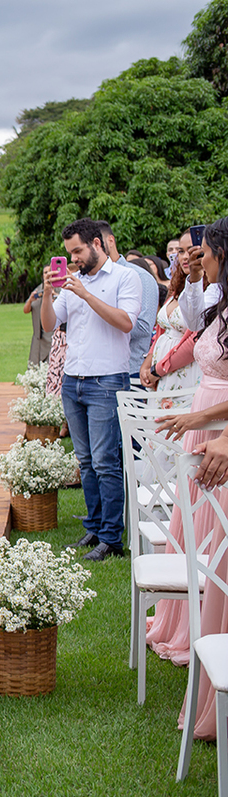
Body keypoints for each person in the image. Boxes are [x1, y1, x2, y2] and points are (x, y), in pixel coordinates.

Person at [152, 216, 228, 741]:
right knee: (204, 539)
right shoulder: (217, 301)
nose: (202, 257)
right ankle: (194, 633)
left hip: (219, 427)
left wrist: (211, 426)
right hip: (208, 419)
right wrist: (199, 422)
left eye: (207, 251)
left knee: (215, 544)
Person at [41, 218, 142, 561]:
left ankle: (112, 538)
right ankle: (95, 527)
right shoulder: (73, 282)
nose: (73, 259)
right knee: (85, 461)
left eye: (78, 251)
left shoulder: (125, 277)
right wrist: (49, 293)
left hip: (107, 381)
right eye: (69, 254)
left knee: (105, 462)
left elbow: (126, 322)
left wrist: (84, 294)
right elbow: (49, 325)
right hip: (74, 382)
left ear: (97, 243)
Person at [97, 220, 157, 375]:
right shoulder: (90, 280)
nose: (93, 250)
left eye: (97, 244)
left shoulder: (142, 277)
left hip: (130, 371)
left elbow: (143, 327)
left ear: (111, 241)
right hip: (96, 372)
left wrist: (100, 328)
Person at [140, 251, 201, 396]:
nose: (186, 256)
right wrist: (147, 364)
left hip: (185, 369)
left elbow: (194, 341)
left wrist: (158, 370)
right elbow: (162, 330)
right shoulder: (176, 288)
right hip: (160, 369)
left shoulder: (206, 292)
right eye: (181, 251)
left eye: (191, 250)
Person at [23, 283, 56, 366]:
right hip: (38, 336)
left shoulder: (58, 288)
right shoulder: (39, 289)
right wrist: (30, 300)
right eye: (45, 272)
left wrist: (55, 296)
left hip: (52, 335)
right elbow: (25, 310)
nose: (47, 274)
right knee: (34, 366)